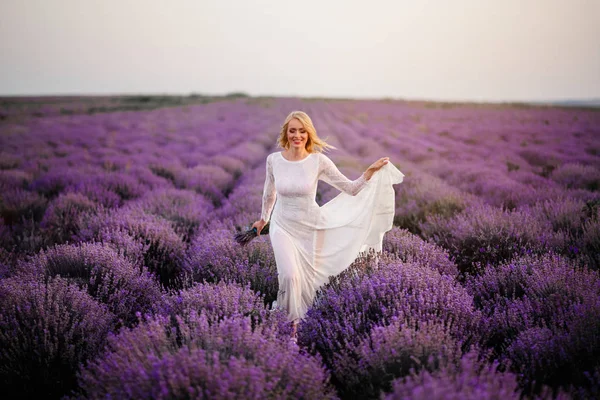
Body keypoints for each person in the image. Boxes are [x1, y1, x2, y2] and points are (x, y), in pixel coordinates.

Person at [252, 111, 404, 343]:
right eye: (292, 130)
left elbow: (351, 189)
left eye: (302, 131)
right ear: (286, 132)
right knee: (290, 276)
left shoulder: (318, 161)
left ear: (309, 134)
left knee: (308, 281)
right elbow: (269, 193)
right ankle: (291, 333)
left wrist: (369, 173)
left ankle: (298, 324)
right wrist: (264, 219)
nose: (297, 135)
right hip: (282, 225)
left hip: (309, 227)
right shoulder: (274, 160)